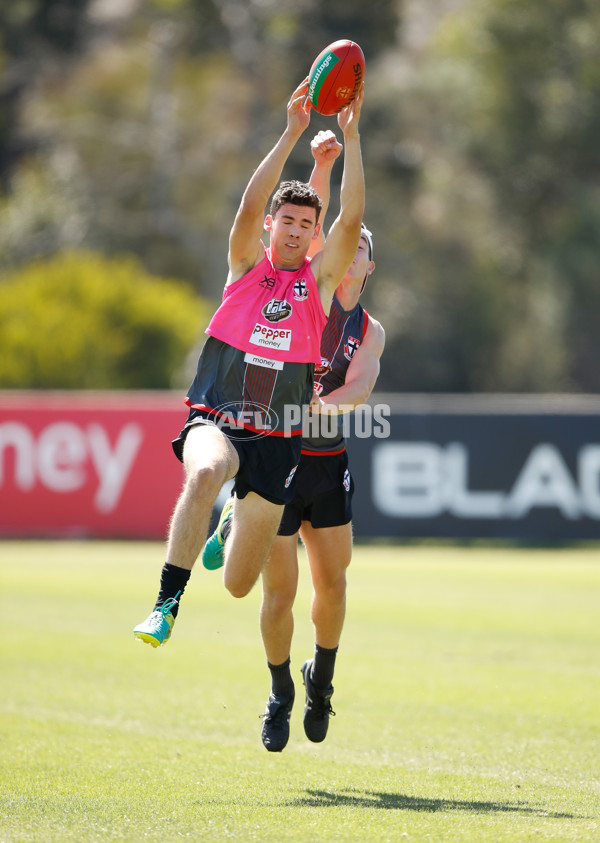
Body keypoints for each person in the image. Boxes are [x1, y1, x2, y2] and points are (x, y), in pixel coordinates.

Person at [133, 79, 365, 648]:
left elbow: (351, 218)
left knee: (239, 586)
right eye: (286, 220)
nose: (294, 229)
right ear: (271, 225)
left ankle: (235, 516)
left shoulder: (318, 284)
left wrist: (352, 140)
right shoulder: (244, 267)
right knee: (208, 470)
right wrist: (291, 132)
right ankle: (166, 604)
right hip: (216, 416)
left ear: (314, 235)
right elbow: (248, 203)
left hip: (279, 437)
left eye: (306, 225)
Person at [203, 132, 385, 752]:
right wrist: (320, 160)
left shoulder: (367, 329)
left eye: (356, 246)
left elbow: (359, 390)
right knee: (278, 592)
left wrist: (322, 407)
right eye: (339, 240)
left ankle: (321, 679)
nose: (346, 247)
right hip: (279, 459)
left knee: (334, 583)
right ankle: (280, 688)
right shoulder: (299, 288)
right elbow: (304, 213)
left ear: (364, 263)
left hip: (326, 464)